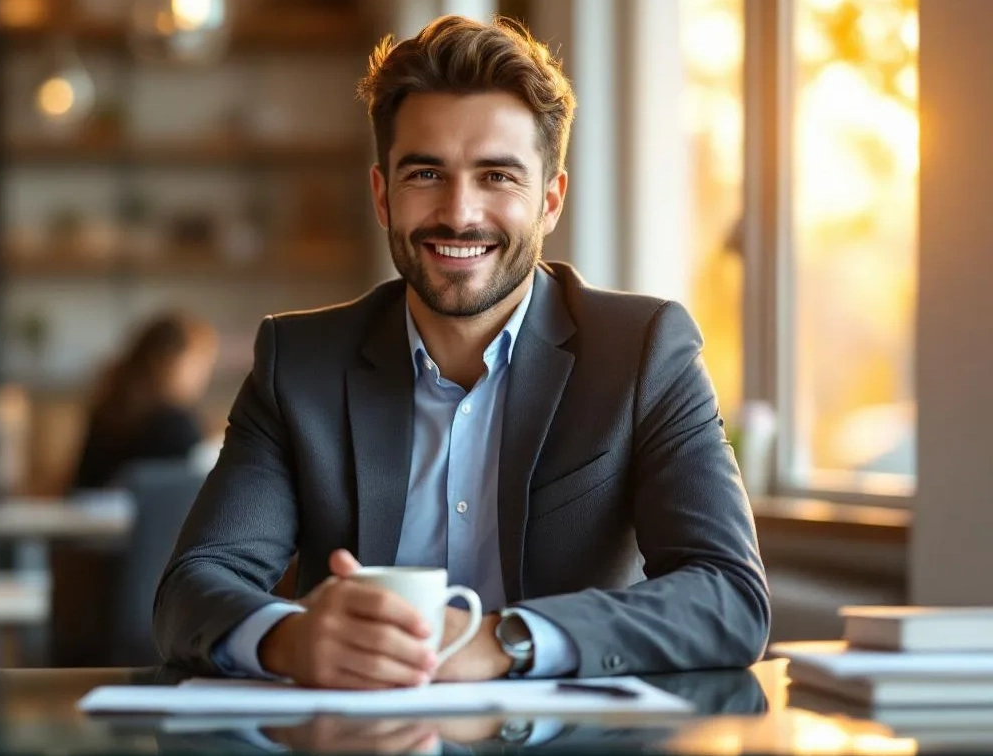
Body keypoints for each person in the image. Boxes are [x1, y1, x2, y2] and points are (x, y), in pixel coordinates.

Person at [153, 15, 769, 688]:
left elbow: (727, 595)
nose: (460, 213)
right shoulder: (299, 363)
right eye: (425, 174)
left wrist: (507, 641)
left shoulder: (643, 351)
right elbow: (194, 587)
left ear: (551, 200)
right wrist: (289, 638)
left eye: (498, 176)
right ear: (383, 194)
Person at [68, 311, 218, 492]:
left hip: (89, 517)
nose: (204, 376)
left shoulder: (107, 410)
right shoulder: (176, 424)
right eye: (199, 363)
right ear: (169, 361)